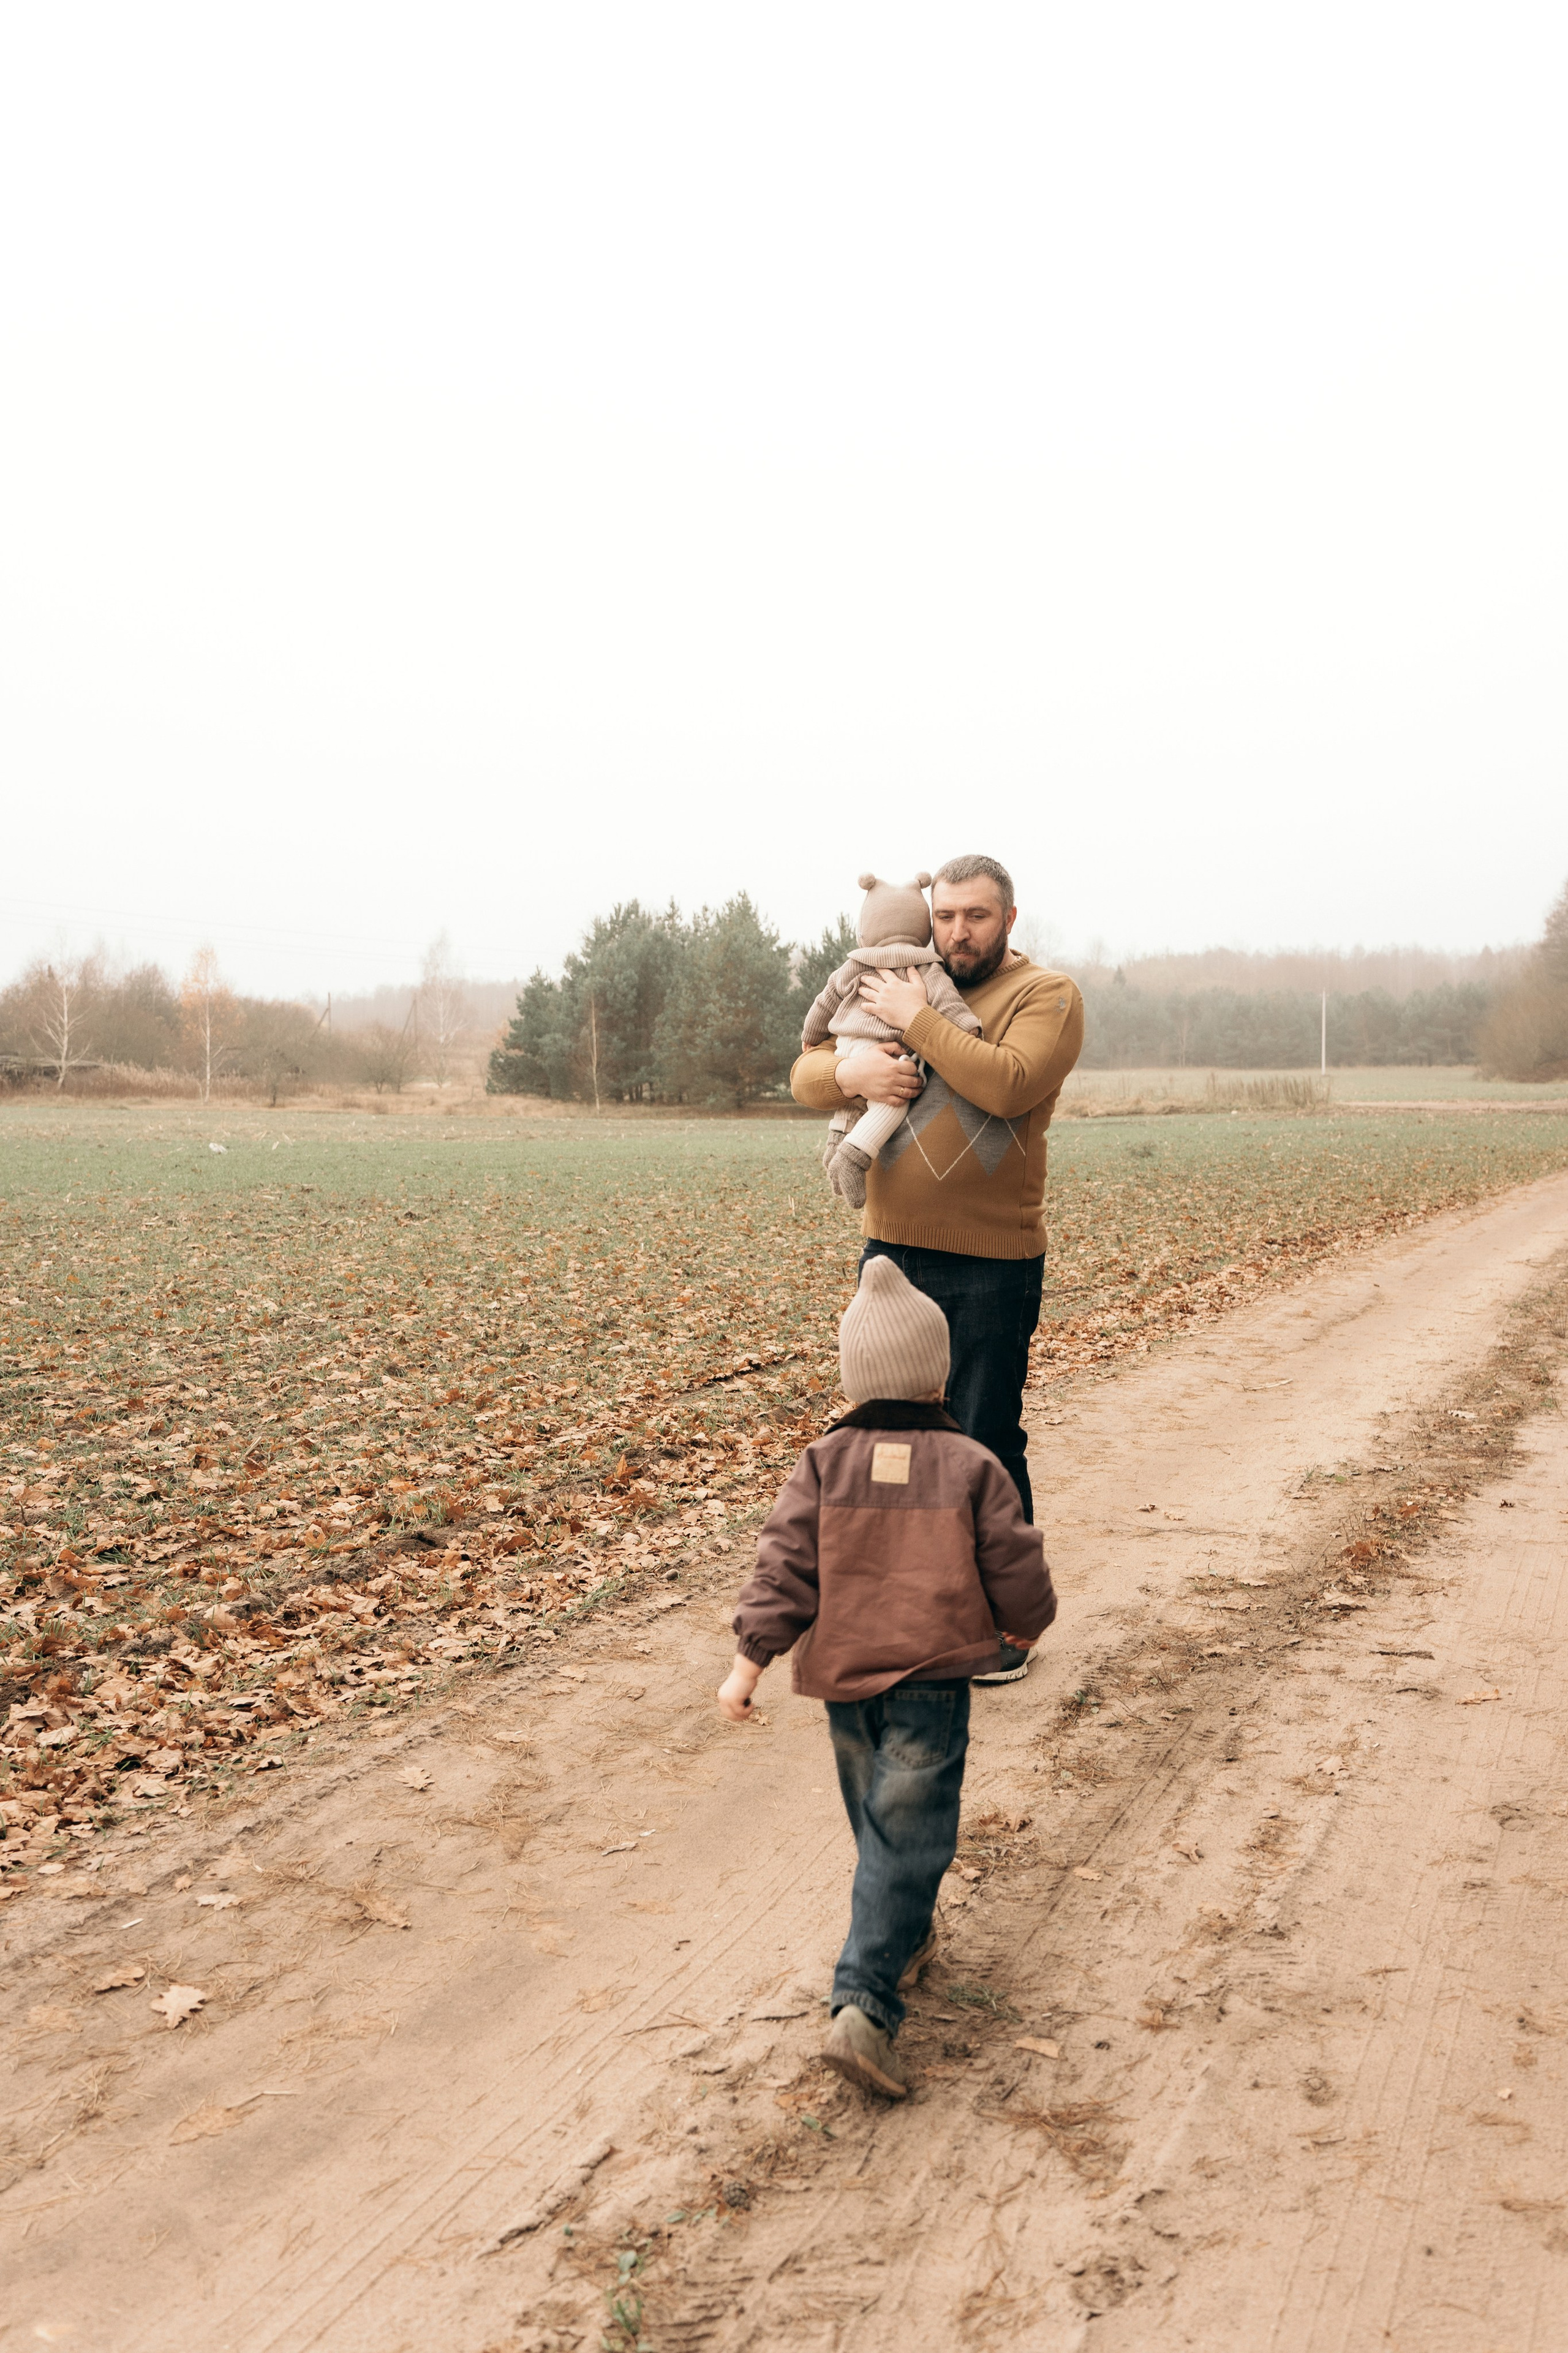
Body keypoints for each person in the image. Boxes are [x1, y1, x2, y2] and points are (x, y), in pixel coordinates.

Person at [717, 1256, 1057, 2099]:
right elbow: (1014, 1557)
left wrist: (747, 1661)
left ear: (855, 1378)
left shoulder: (824, 1463)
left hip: (845, 1687)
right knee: (906, 1837)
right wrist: (1027, 1621)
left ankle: (901, 1941)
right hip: (933, 1683)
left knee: (884, 1831)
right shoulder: (971, 1463)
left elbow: (782, 1566)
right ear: (938, 1373)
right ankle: (863, 2006)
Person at [789, 853, 1082, 1685]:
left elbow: (1007, 1084)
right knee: (891, 1450)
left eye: (976, 916)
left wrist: (917, 1021)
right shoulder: (889, 979)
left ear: (1009, 920)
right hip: (892, 1254)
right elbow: (804, 1066)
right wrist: (852, 1071)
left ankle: (1007, 1624)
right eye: (946, 915)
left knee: (983, 1440)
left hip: (992, 1263)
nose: (958, 931)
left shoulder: (1044, 997)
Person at [800, 870, 982, 1204]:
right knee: (893, 1101)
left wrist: (811, 1034)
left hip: (846, 1043)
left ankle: (837, 1143)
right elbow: (948, 1003)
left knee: (852, 1102)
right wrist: (968, 1028)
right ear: (925, 927)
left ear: (865, 929)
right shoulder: (927, 968)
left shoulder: (854, 965)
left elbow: (825, 1000)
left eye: (977, 915)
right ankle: (855, 1153)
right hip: (890, 1048)